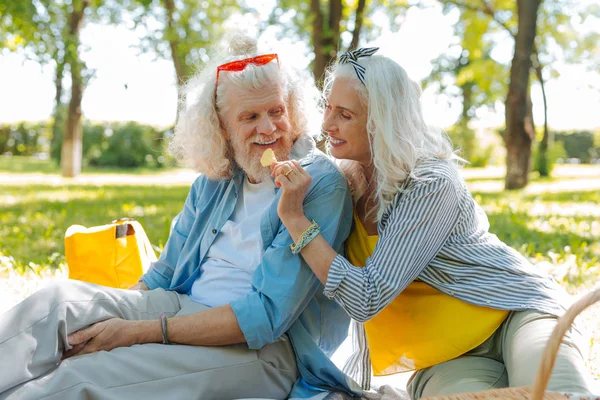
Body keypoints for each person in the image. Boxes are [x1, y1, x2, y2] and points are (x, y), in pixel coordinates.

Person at [0, 36, 361, 400]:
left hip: (264, 351)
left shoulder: (319, 184)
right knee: (58, 304)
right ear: (222, 127)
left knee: (80, 378)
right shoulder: (217, 179)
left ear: (293, 111)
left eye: (276, 111)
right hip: (182, 306)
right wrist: (119, 311)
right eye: (250, 117)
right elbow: (165, 272)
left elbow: (265, 316)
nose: (267, 129)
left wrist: (136, 333)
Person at [271, 47, 597, 399]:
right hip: (449, 356)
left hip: (518, 313)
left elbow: (367, 296)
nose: (327, 124)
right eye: (328, 108)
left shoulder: (430, 182)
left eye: (345, 114)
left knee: (558, 395)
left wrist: (296, 220)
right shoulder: (342, 186)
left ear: (383, 120)